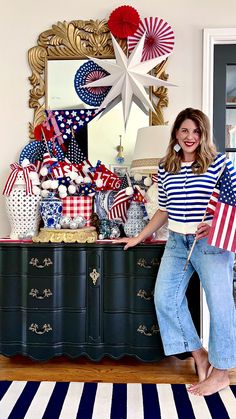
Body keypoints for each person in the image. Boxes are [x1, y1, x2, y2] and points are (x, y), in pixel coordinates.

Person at [116, 108, 236, 396]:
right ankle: (200, 355)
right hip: (176, 242)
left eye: (196, 131)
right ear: (176, 134)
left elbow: (232, 204)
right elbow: (164, 209)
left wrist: (214, 224)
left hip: (209, 244)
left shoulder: (219, 164)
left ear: (203, 134)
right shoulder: (165, 166)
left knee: (220, 307)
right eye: (184, 130)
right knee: (165, 300)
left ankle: (222, 372)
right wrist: (139, 237)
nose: (190, 136)